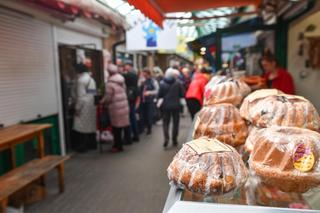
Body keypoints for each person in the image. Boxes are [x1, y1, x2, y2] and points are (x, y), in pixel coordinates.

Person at [101, 64, 131, 152]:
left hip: (116, 108)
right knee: (121, 127)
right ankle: (123, 142)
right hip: (123, 105)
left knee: (116, 128)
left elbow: (108, 97)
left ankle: (118, 146)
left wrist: (102, 102)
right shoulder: (121, 79)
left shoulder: (110, 83)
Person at [72, 63, 97, 152]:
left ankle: (82, 146)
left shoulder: (80, 81)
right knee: (90, 125)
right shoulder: (91, 79)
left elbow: (81, 97)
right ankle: (92, 144)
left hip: (83, 106)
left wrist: (77, 109)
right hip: (91, 104)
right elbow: (93, 92)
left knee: (80, 127)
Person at [158, 72, 184, 147]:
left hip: (165, 106)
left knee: (166, 123)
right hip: (176, 106)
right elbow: (182, 94)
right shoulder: (178, 83)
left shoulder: (162, 84)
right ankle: (174, 139)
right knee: (175, 123)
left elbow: (160, 95)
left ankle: (166, 138)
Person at [123, 60, 140, 142]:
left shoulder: (128, 75)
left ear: (129, 66)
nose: (124, 67)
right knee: (132, 116)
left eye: (126, 65)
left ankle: (130, 136)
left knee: (130, 116)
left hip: (130, 97)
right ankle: (135, 135)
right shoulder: (135, 74)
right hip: (133, 96)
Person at [139, 68, 159, 135]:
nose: (143, 75)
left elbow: (157, 91)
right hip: (142, 101)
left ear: (148, 74)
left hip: (149, 101)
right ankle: (143, 127)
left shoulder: (153, 81)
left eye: (145, 74)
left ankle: (149, 128)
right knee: (142, 115)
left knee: (149, 115)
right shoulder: (142, 80)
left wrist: (149, 92)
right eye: (143, 74)